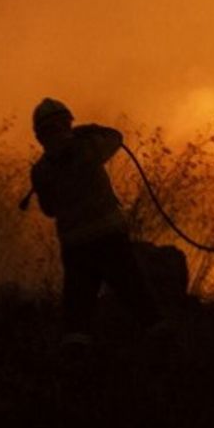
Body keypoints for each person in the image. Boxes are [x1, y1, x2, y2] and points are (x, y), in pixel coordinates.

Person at [27, 98, 160, 345]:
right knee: (138, 298)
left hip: (75, 247)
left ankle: (79, 368)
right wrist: (89, 130)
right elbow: (116, 137)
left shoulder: (40, 171)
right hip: (110, 239)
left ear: (39, 135)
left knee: (78, 313)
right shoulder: (88, 148)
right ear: (66, 124)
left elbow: (49, 210)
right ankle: (164, 353)